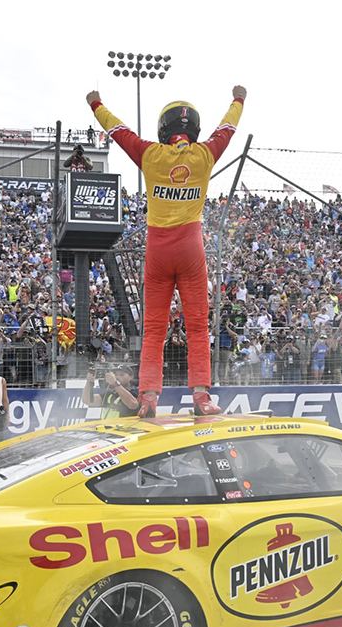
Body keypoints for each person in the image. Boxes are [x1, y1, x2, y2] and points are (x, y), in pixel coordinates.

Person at [87, 85, 245, 416]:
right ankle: (201, 398)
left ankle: (147, 400)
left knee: (154, 330)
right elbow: (227, 128)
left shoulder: (150, 154)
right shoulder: (204, 154)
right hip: (191, 249)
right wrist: (238, 99)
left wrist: (96, 103)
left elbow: (118, 130)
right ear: (193, 129)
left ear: (162, 129)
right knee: (198, 327)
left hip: (158, 251)